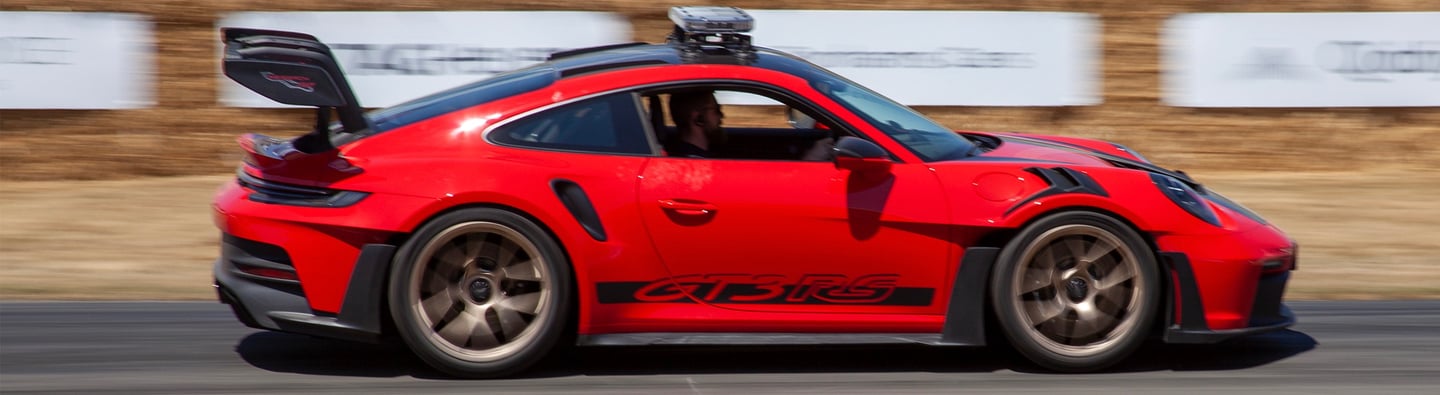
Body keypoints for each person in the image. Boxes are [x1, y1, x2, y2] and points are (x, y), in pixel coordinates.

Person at [665, 90, 726, 158]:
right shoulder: (693, 161)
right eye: (716, 110)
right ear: (698, 118)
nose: (722, 115)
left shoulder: (683, 156)